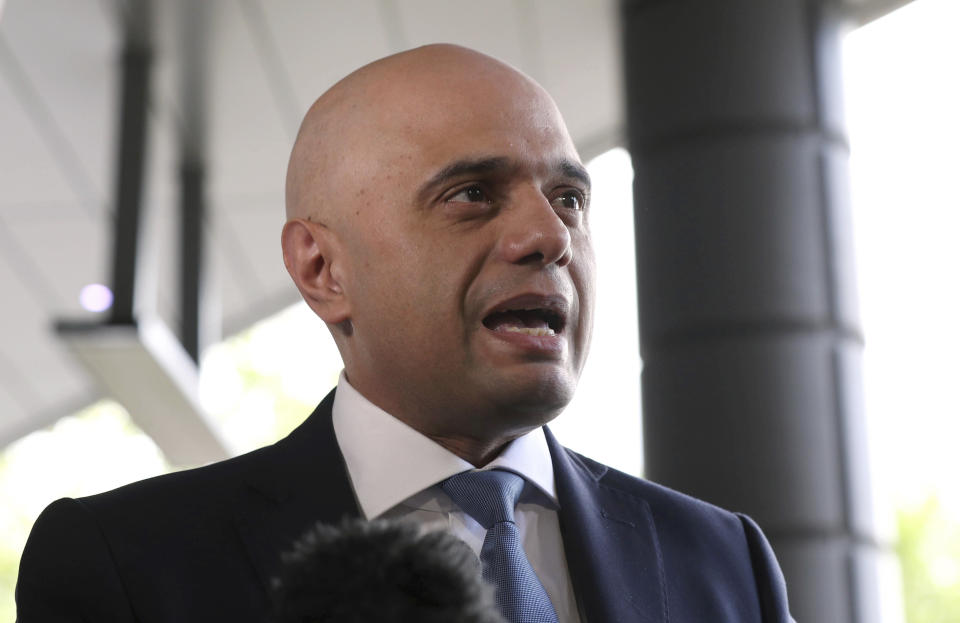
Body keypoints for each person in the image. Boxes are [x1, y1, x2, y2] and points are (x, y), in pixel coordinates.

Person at [16, 44, 793, 622]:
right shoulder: (127, 564)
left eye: (568, 198)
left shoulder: (727, 565)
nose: (547, 235)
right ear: (322, 268)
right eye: (472, 194)